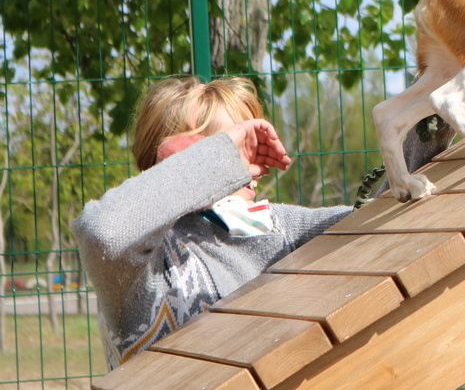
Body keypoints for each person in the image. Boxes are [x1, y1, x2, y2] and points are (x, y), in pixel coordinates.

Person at [73, 76, 353, 369]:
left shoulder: (280, 227)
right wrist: (212, 165)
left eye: (249, 145)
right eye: (232, 148)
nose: (245, 166)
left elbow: (385, 218)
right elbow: (102, 234)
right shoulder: (150, 265)